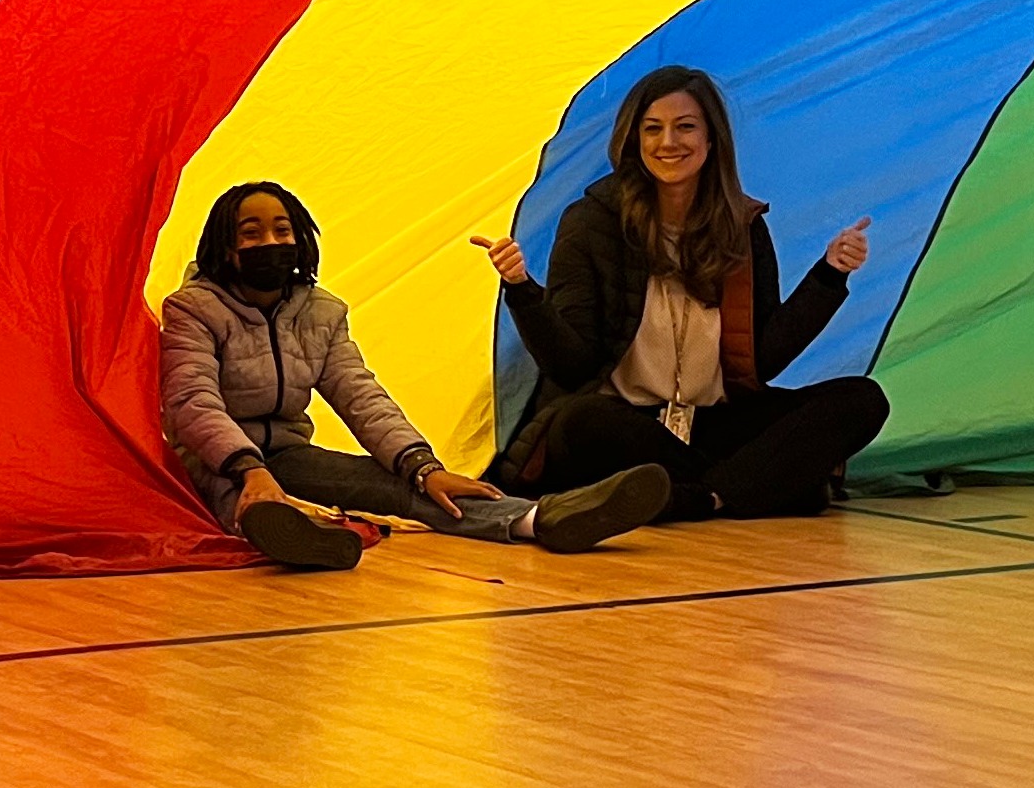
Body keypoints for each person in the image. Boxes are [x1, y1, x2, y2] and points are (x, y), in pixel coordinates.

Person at [161, 181, 669, 570]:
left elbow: (361, 396)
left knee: (406, 489)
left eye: (282, 230)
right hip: (214, 461)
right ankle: (286, 531)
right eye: (251, 233)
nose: (270, 241)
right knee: (239, 496)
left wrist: (423, 466)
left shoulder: (319, 312)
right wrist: (251, 469)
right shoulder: (194, 310)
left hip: (290, 455)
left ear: (300, 240)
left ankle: (538, 518)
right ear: (225, 249)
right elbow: (192, 402)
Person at [477, 66, 890, 520]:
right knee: (580, 422)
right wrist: (521, 290)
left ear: (711, 140)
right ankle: (754, 487)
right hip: (626, 422)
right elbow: (570, 365)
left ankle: (697, 496)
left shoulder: (742, 227)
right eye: (653, 129)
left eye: (685, 127)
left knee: (862, 399)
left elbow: (764, 359)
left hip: (708, 422)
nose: (668, 142)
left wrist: (829, 276)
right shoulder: (591, 222)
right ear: (634, 140)